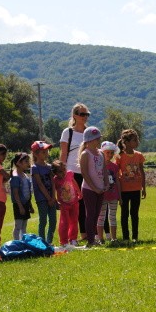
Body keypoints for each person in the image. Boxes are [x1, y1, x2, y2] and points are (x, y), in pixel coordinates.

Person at [59, 103, 90, 242]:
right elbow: (63, 153)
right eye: (82, 114)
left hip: (87, 173)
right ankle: (71, 236)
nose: (85, 117)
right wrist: (62, 173)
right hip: (71, 173)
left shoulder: (89, 132)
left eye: (87, 114)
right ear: (75, 116)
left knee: (85, 204)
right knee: (71, 205)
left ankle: (85, 233)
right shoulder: (68, 132)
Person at [79, 126, 108, 247]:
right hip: (89, 189)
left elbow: (104, 169)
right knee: (90, 214)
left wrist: (106, 183)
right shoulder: (85, 154)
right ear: (89, 140)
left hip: (100, 189)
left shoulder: (101, 153)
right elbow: (85, 173)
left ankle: (94, 238)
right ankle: (90, 240)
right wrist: (94, 188)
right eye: (97, 138)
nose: (99, 140)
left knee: (96, 215)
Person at [116, 129, 146, 242]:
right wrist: (118, 192)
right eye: (135, 140)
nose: (137, 142)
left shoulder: (139, 155)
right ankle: (125, 237)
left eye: (137, 139)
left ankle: (135, 237)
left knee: (134, 213)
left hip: (136, 189)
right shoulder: (119, 156)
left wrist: (143, 188)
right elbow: (116, 174)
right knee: (124, 214)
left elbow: (142, 172)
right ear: (127, 142)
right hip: (124, 190)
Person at [52, 160, 81, 249]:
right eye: (60, 171)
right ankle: (64, 241)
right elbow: (53, 190)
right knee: (64, 223)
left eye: (64, 169)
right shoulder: (55, 180)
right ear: (55, 173)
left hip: (74, 202)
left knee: (74, 221)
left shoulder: (69, 174)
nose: (63, 172)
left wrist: (79, 192)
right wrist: (55, 200)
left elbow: (74, 182)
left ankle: (73, 239)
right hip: (64, 205)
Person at [31, 140, 56, 244]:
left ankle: (49, 242)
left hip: (51, 198)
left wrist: (53, 197)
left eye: (47, 151)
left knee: (53, 221)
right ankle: (42, 242)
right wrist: (48, 198)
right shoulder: (34, 168)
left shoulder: (49, 167)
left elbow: (53, 182)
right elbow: (40, 184)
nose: (46, 154)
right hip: (42, 199)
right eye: (43, 152)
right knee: (43, 221)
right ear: (36, 154)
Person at [97, 141, 121, 244]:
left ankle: (114, 238)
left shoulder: (115, 166)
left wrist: (119, 196)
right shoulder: (98, 166)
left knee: (112, 217)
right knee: (101, 217)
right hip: (102, 195)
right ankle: (100, 238)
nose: (110, 155)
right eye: (108, 153)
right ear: (102, 152)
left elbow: (117, 181)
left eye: (112, 153)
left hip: (113, 195)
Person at [10, 152, 34, 240]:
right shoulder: (15, 177)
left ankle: (23, 242)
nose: (28, 163)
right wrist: (20, 207)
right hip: (19, 205)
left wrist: (30, 206)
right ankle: (16, 242)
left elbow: (28, 192)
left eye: (28, 161)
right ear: (18, 163)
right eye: (26, 161)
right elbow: (16, 193)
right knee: (18, 225)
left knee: (24, 225)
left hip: (25, 204)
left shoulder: (25, 176)